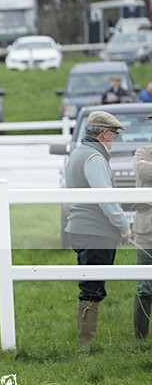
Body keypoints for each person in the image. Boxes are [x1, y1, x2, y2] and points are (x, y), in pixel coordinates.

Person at [64, 111, 132, 345]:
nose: (115, 138)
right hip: (95, 230)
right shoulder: (94, 158)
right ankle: (86, 342)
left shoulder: (78, 154)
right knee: (92, 287)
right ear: (104, 134)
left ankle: (86, 340)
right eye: (114, 133)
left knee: (89, 283)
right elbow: (106, 198)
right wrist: (123, 226)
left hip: (80, 228)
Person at [131, 131, 152, 339]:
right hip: (147, 231)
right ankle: (140, 337)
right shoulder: (143, 152)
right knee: (145, 286)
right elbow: (142, 169)